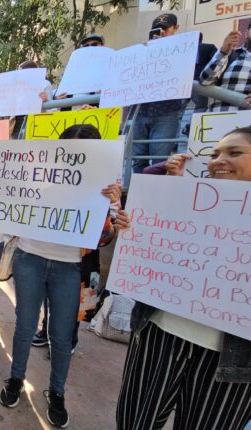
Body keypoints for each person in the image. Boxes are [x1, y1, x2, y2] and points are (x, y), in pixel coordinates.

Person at [0, 124, 130, 428]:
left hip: (71, 268)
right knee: (24, 325)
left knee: (61, 334)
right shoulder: (38, 174)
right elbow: (7, 199)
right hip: (29, 258)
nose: (75, 157)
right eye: (69, 149)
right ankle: (16, 378)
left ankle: (57, 392)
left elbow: (104, 238)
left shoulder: (106, 188)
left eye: (83, 152)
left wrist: (114, 212)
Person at [116, 127, 251, 430]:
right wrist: (134, 228)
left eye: (234, 152)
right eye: (214, 154)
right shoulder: (185, 201)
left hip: (231, 359)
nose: (218, 161)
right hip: (160, 332)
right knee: (134, 423)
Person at [132, 13, 188, 173]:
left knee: (160, 160)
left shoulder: (183, 50)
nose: (162, 32)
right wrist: (144, 53)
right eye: (157, 29)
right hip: (141, 111)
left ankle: (157, 194)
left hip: (166, 111)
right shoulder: (143, 51)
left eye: (166, 28)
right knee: (138, 158)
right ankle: (137, 192)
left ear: (175, 28)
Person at [200, 28, 251, 112]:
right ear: (246, 33)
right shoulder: (231, 55)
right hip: (219, 118)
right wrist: (223, 52)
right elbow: (205, 81)